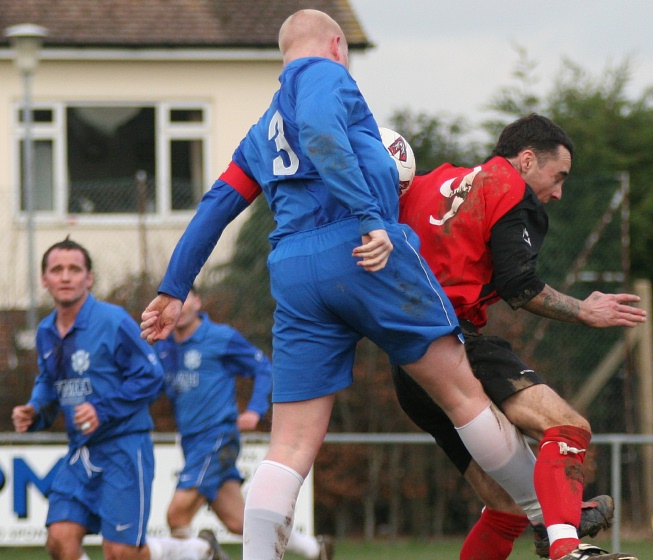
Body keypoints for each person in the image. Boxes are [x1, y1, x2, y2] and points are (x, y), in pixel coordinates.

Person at [140, 10, 576, 560]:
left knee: (291, 444)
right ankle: (547, 517)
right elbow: (324, 136)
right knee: (460, 391)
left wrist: (173, 286)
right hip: (363, 250)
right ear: (337, 45)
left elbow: (217, 205)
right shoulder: (324, 73)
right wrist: (371, 216)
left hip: (294, 270)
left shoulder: (263, 130)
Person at [393, 114, 645, 560]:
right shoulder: (508, 187)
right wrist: (584, 310)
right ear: (527, 160)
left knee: (506, 507)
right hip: (453, 341)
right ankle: (566, 545)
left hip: (406, 363)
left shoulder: (435, 179)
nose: (559, 191)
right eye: (559, 176)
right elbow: (519, 285)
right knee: (568, 427)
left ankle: (555, 522)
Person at [12, 237, 223, 560]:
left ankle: (198, 551)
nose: (65, 276)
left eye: (74, 269)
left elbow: (150, 376)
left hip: (124, 448)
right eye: (57, 269)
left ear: (89, 278)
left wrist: (102, 409)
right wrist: (35, 410)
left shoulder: (113, 321)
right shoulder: (45, 332)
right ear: (44, 279)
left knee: (122, 552)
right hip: (81, 450)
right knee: (59, 541)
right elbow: (49, 382)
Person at [154, 287, 334, 560]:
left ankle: (205, 552)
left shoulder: (220, 337)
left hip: (217, 435)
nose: (178, 307)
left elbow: (262, 367)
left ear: (198, 302)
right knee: (239, 522)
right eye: (173, 302)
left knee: (177, 513)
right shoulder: (165, 347)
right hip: (191, 441)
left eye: (185, 298)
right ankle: (314, 549)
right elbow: (150, 385)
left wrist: (255, 409)